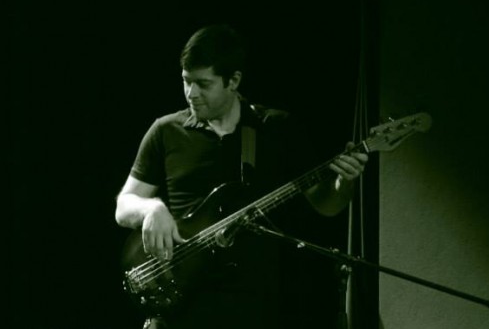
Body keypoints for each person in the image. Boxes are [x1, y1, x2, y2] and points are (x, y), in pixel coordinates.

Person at [115, 23, 369, 329]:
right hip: (180, 306)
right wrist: (151, 209)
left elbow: (327, 205)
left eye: (203, 84)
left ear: (233, 80)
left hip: (252, 306)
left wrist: (344, 182)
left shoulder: (276, 129)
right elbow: (124, 205)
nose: (191, 94)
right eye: (186, 81)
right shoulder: (166, 131)